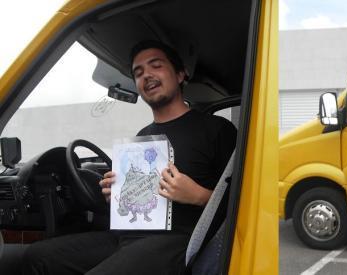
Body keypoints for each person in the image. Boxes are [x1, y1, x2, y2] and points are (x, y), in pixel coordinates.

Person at [22, 40, 237, 275]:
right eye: (139, 72)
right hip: (127, 236)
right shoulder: (142, 137)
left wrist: (198, 195)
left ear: (180, 74)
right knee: (37, 257)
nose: (147, 75)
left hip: (178, 242)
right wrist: (117, 195)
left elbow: (242, 202)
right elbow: (139, 193)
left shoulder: (216, 129)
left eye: (156, 66)